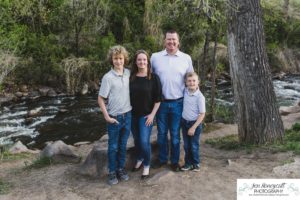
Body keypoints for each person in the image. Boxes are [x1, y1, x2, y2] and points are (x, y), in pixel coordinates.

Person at [150, 30, 194, 172]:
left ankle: (174, 161)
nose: (171, 42)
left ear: (178, 41)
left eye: (174, 40)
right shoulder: (155, 57)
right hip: (160, 103)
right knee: (161, 133)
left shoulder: (186, 58)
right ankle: (162, 159)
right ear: (164, 41)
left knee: (175, 134)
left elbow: (191, 80)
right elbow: (149, 79)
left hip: (178, 103)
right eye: (169, 39)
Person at [98, 45, 132, 185]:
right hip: (114, 118)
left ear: (124, 59)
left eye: (120, 58)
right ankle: (112, 172)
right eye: (115, 58)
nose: (118, 61)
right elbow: (100, 98)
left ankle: (120, 169)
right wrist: (107, 117)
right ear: (112, 60)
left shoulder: (129, 73)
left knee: (123, 145)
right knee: (113, 146)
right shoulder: (108, 77)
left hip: (128, 115)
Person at [130, 50, 162, 179]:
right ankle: (140, 158)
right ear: (136, 62)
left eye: (144, 60)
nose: (142, 62)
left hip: (146, 116)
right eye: (139, 60)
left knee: (144, 141)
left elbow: (158, 99)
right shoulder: (131, 77)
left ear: (148, 62)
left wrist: (152, 115)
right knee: (137, 140)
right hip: (132, 115)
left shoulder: (154, 78)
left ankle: (147, 165)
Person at [180, 72, 205, 172]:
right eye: (189, 81)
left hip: (194, 124)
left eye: (194, 81)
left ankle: (196, 163)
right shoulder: (185, 91)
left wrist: (193, 127)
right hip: (184, 122)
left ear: (198, 82)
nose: (191, 83)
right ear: (186, 82)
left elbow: (202, 114)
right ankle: (188, 163)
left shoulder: (200, 97)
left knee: (194, 145)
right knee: (186, 145)